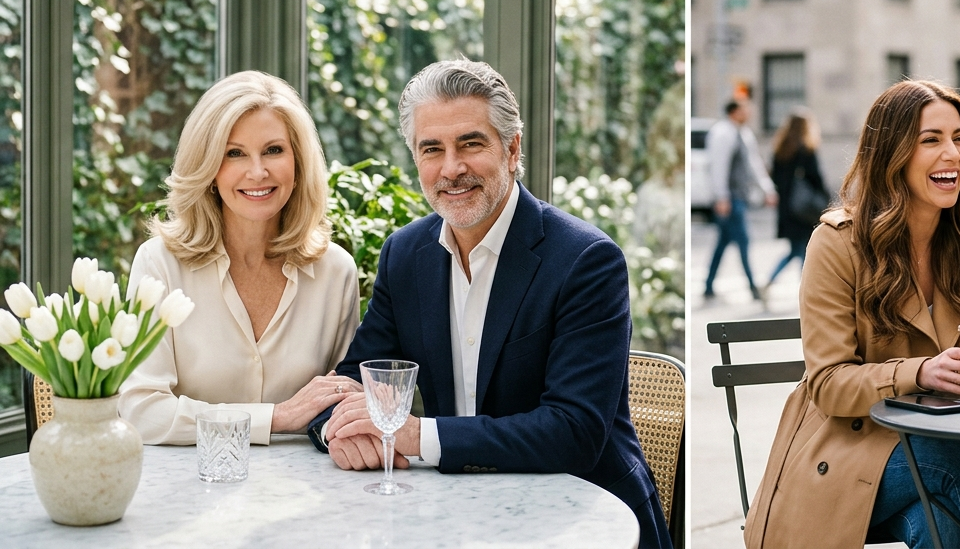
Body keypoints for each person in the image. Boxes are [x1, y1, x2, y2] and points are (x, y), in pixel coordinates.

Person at [309, 59, 672, 549]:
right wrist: (339, 431)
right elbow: (353, 382)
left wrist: (417, 436)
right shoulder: (405, 254)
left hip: (584, 518)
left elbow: (574, 431)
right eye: (431, 149)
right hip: (454, 517)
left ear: (512, 148)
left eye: (471, 144)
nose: (451, 168)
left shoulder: (585, 260)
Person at [744, 80, 960, 549]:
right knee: (959, 458)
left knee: (946, 533)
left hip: (930, 456)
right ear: (891, 153)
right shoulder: (838, 243)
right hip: (843, 452)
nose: (953, 154)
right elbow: (829, 383)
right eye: (930, 140)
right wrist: (924, 372)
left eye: (959, 138)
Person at [118, 71, 362, 446]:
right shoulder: (159, 264)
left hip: (303, 492)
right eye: (235, 153)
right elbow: (142, 412)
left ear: (298, 164)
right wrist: (276, 418)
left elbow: (343, 404)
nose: (257, 171)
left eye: (274, 150)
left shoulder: (336, 272)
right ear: (209, 169)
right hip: (188, 490)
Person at [703, 99, 776, 300]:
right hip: (731, 199)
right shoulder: (723, 133)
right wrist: (721, 197)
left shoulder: (743, 133)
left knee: (722, 244)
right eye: (746, 109)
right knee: (743, 241)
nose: (750, 113)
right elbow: (718, 167)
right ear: (735, 112)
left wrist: (767, 190)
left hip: (738, 197)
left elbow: (754, 166)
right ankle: (753, 287)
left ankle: (708, 285)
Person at [765, 107, 826, 290]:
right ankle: (805, 292)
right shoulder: (806, 150)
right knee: (804, 252)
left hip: (787, 208)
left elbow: (775, 179)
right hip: (804, 209)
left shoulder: (780, 150)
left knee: (796, 251)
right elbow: (817, 179)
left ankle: (771, 283)